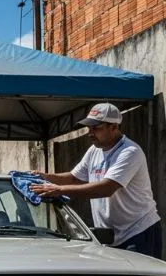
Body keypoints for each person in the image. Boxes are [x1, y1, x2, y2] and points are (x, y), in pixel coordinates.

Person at [30, 102, 162, 258]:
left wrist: (59, 191)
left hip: (137, 231)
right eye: (88, 127)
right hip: (108, 236)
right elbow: (74, 177)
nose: (90, 133)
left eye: (96, 128)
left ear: (114, 127)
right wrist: (43, 176)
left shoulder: (130, 152)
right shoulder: (94, 150)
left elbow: (106, 188)